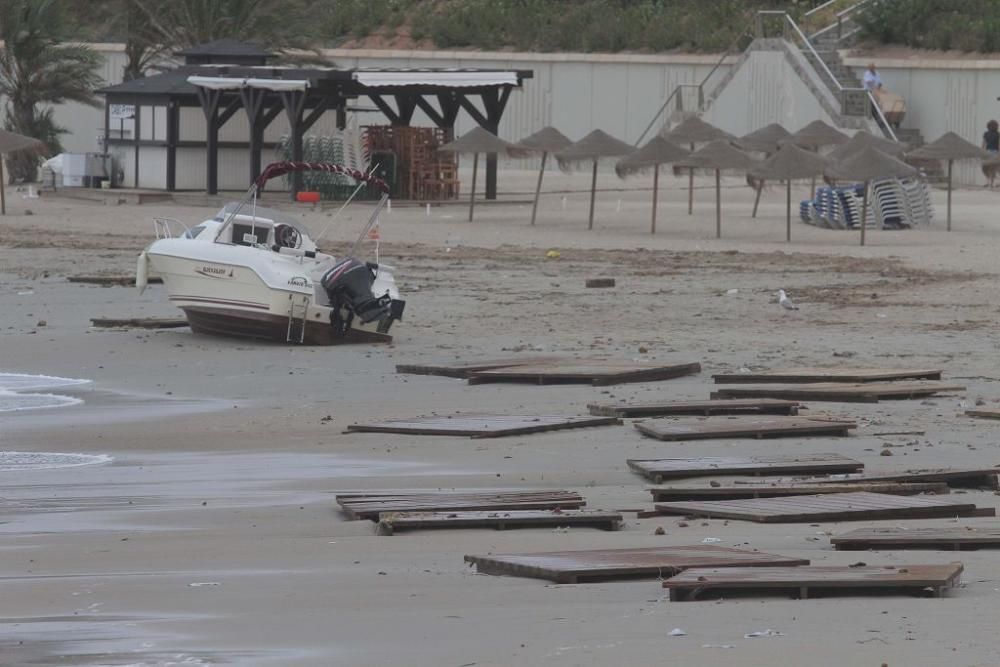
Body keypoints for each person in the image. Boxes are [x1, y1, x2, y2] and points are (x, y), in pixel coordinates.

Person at [982, 120, 999, 188]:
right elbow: (984, 143)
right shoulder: (986, 134)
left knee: (990, 168)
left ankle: (991, 182)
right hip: (990, 152)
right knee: (987, 168)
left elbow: (984, 144)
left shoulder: (997, 134)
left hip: (993, 152)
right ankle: (990, 182)